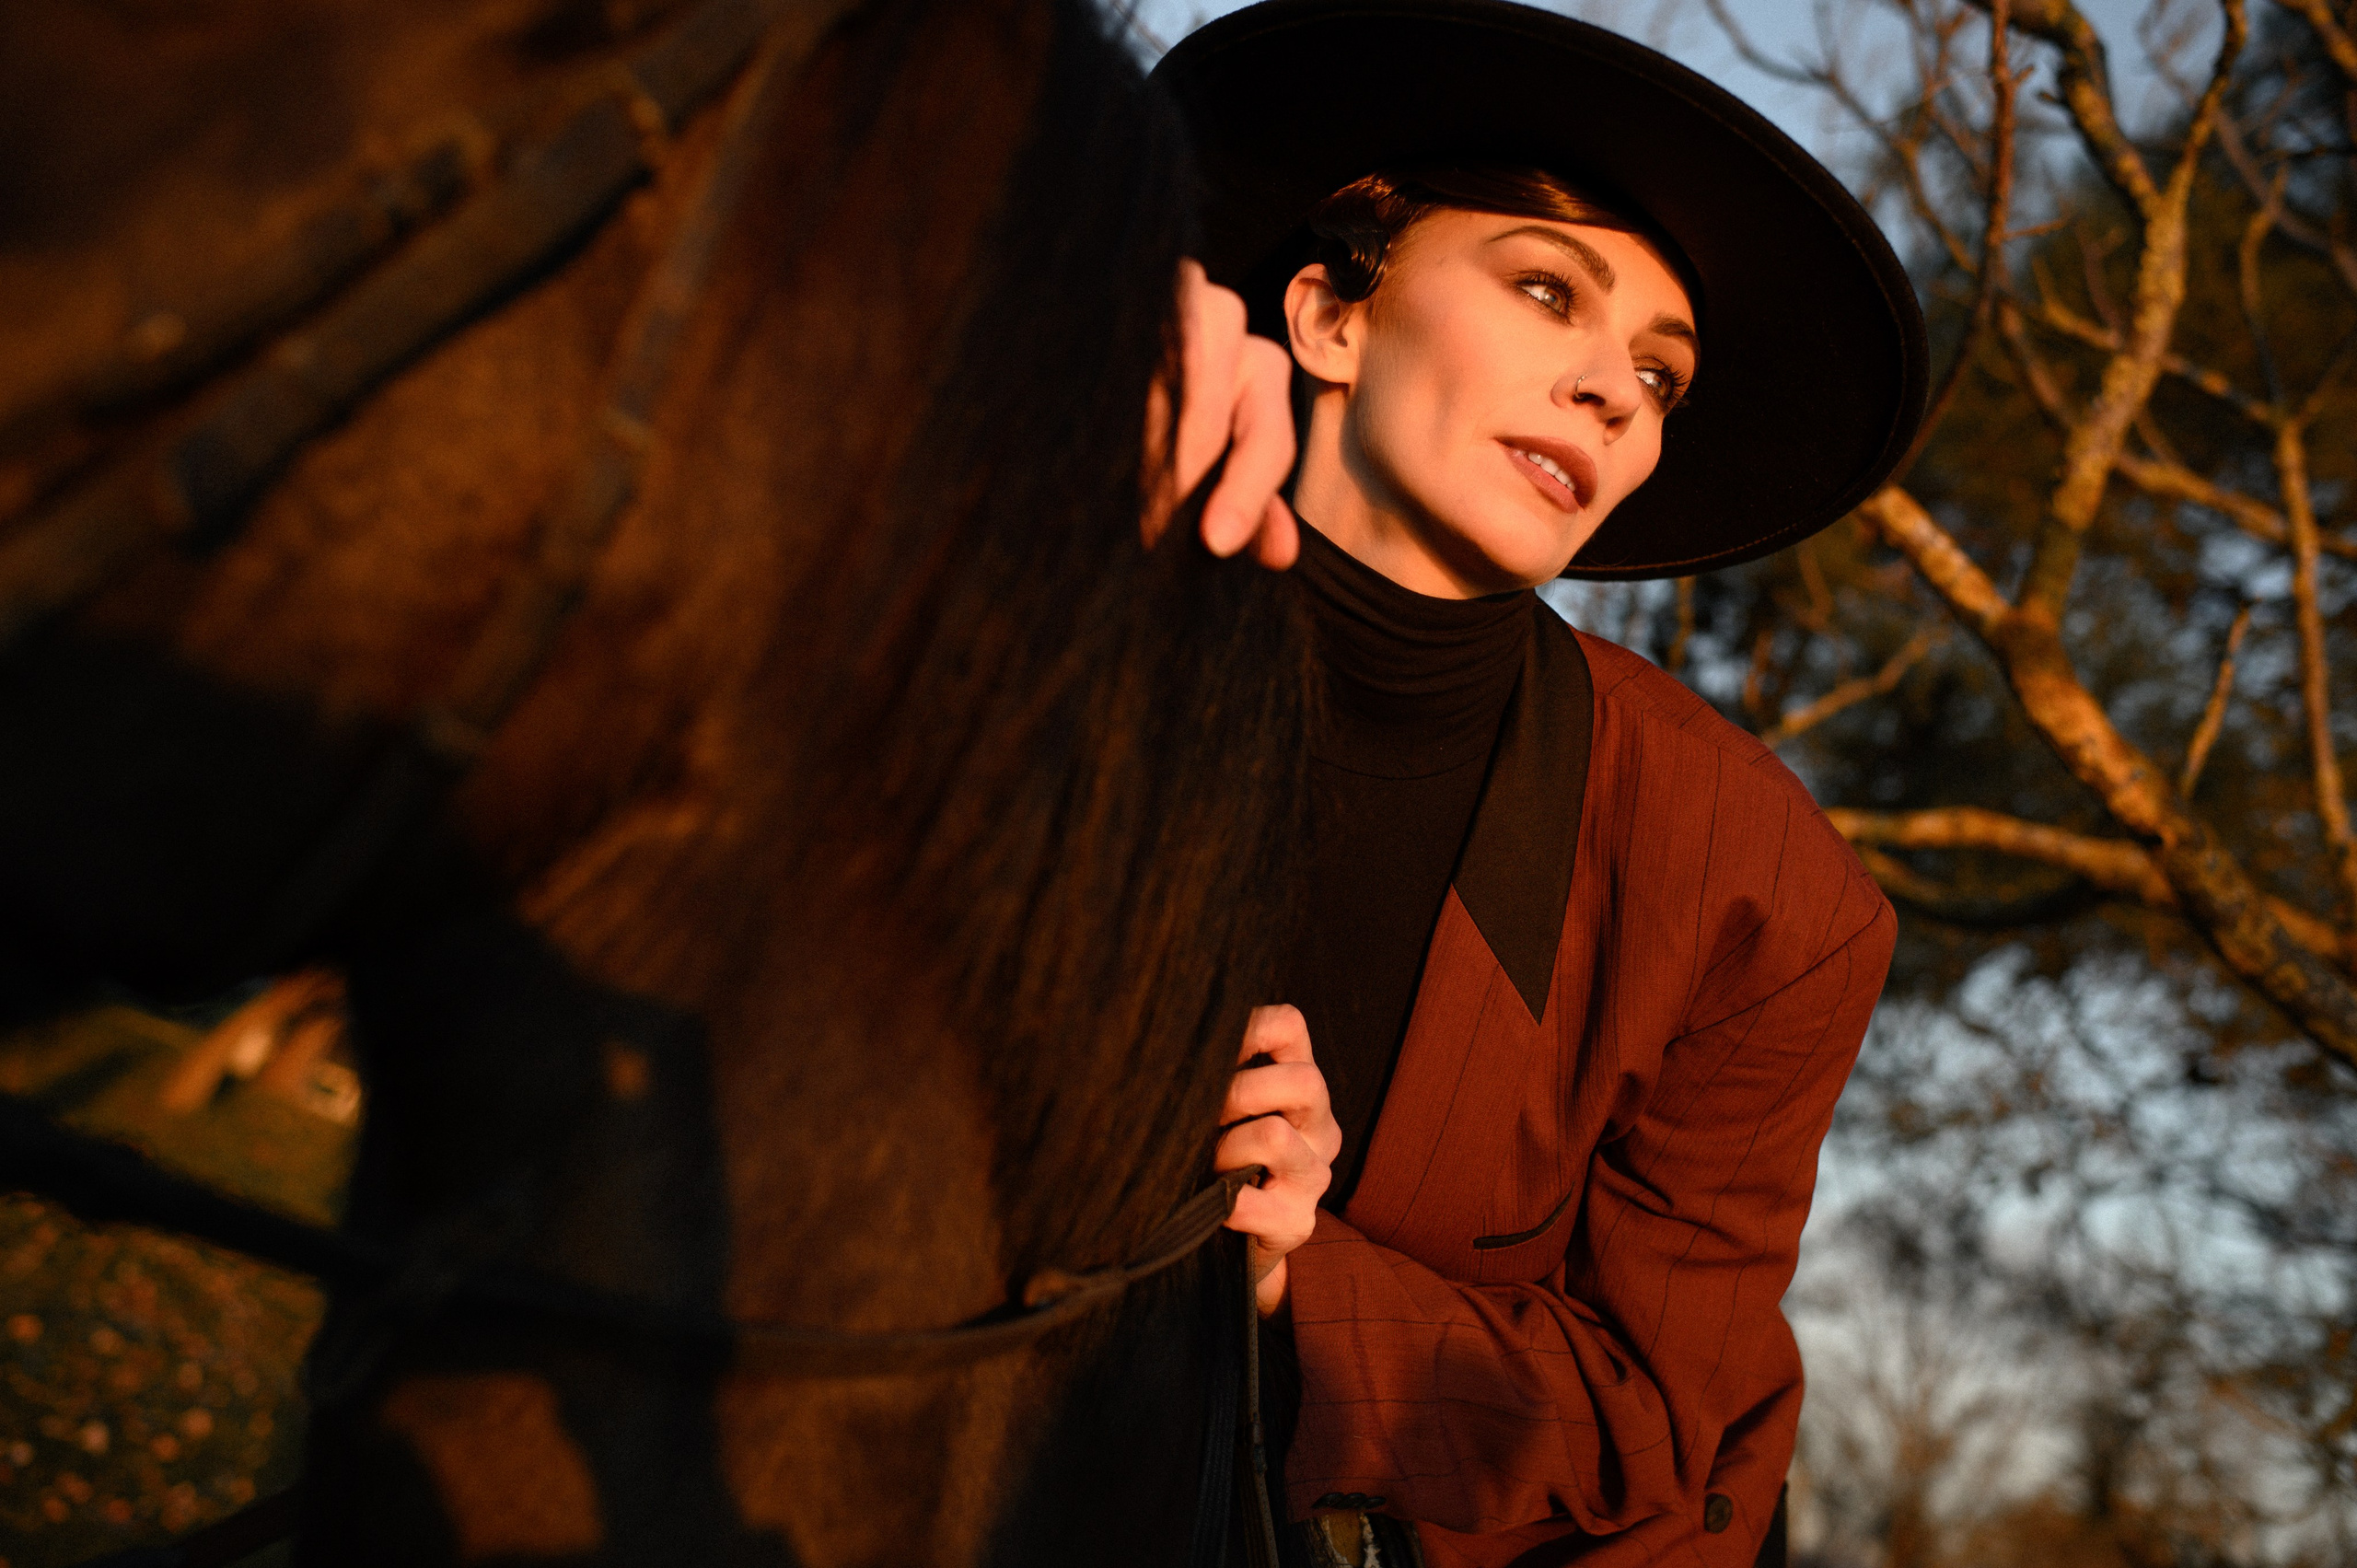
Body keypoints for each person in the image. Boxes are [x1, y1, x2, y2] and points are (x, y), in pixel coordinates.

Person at [1153, 4, 1931, 1565]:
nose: (1615, 391)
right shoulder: (1060, 596)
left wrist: (1308, 1269)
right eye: (1544, 290)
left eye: (1663, 371)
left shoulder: (1762, 894)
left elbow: (1666, 1431)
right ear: (1326, 319)